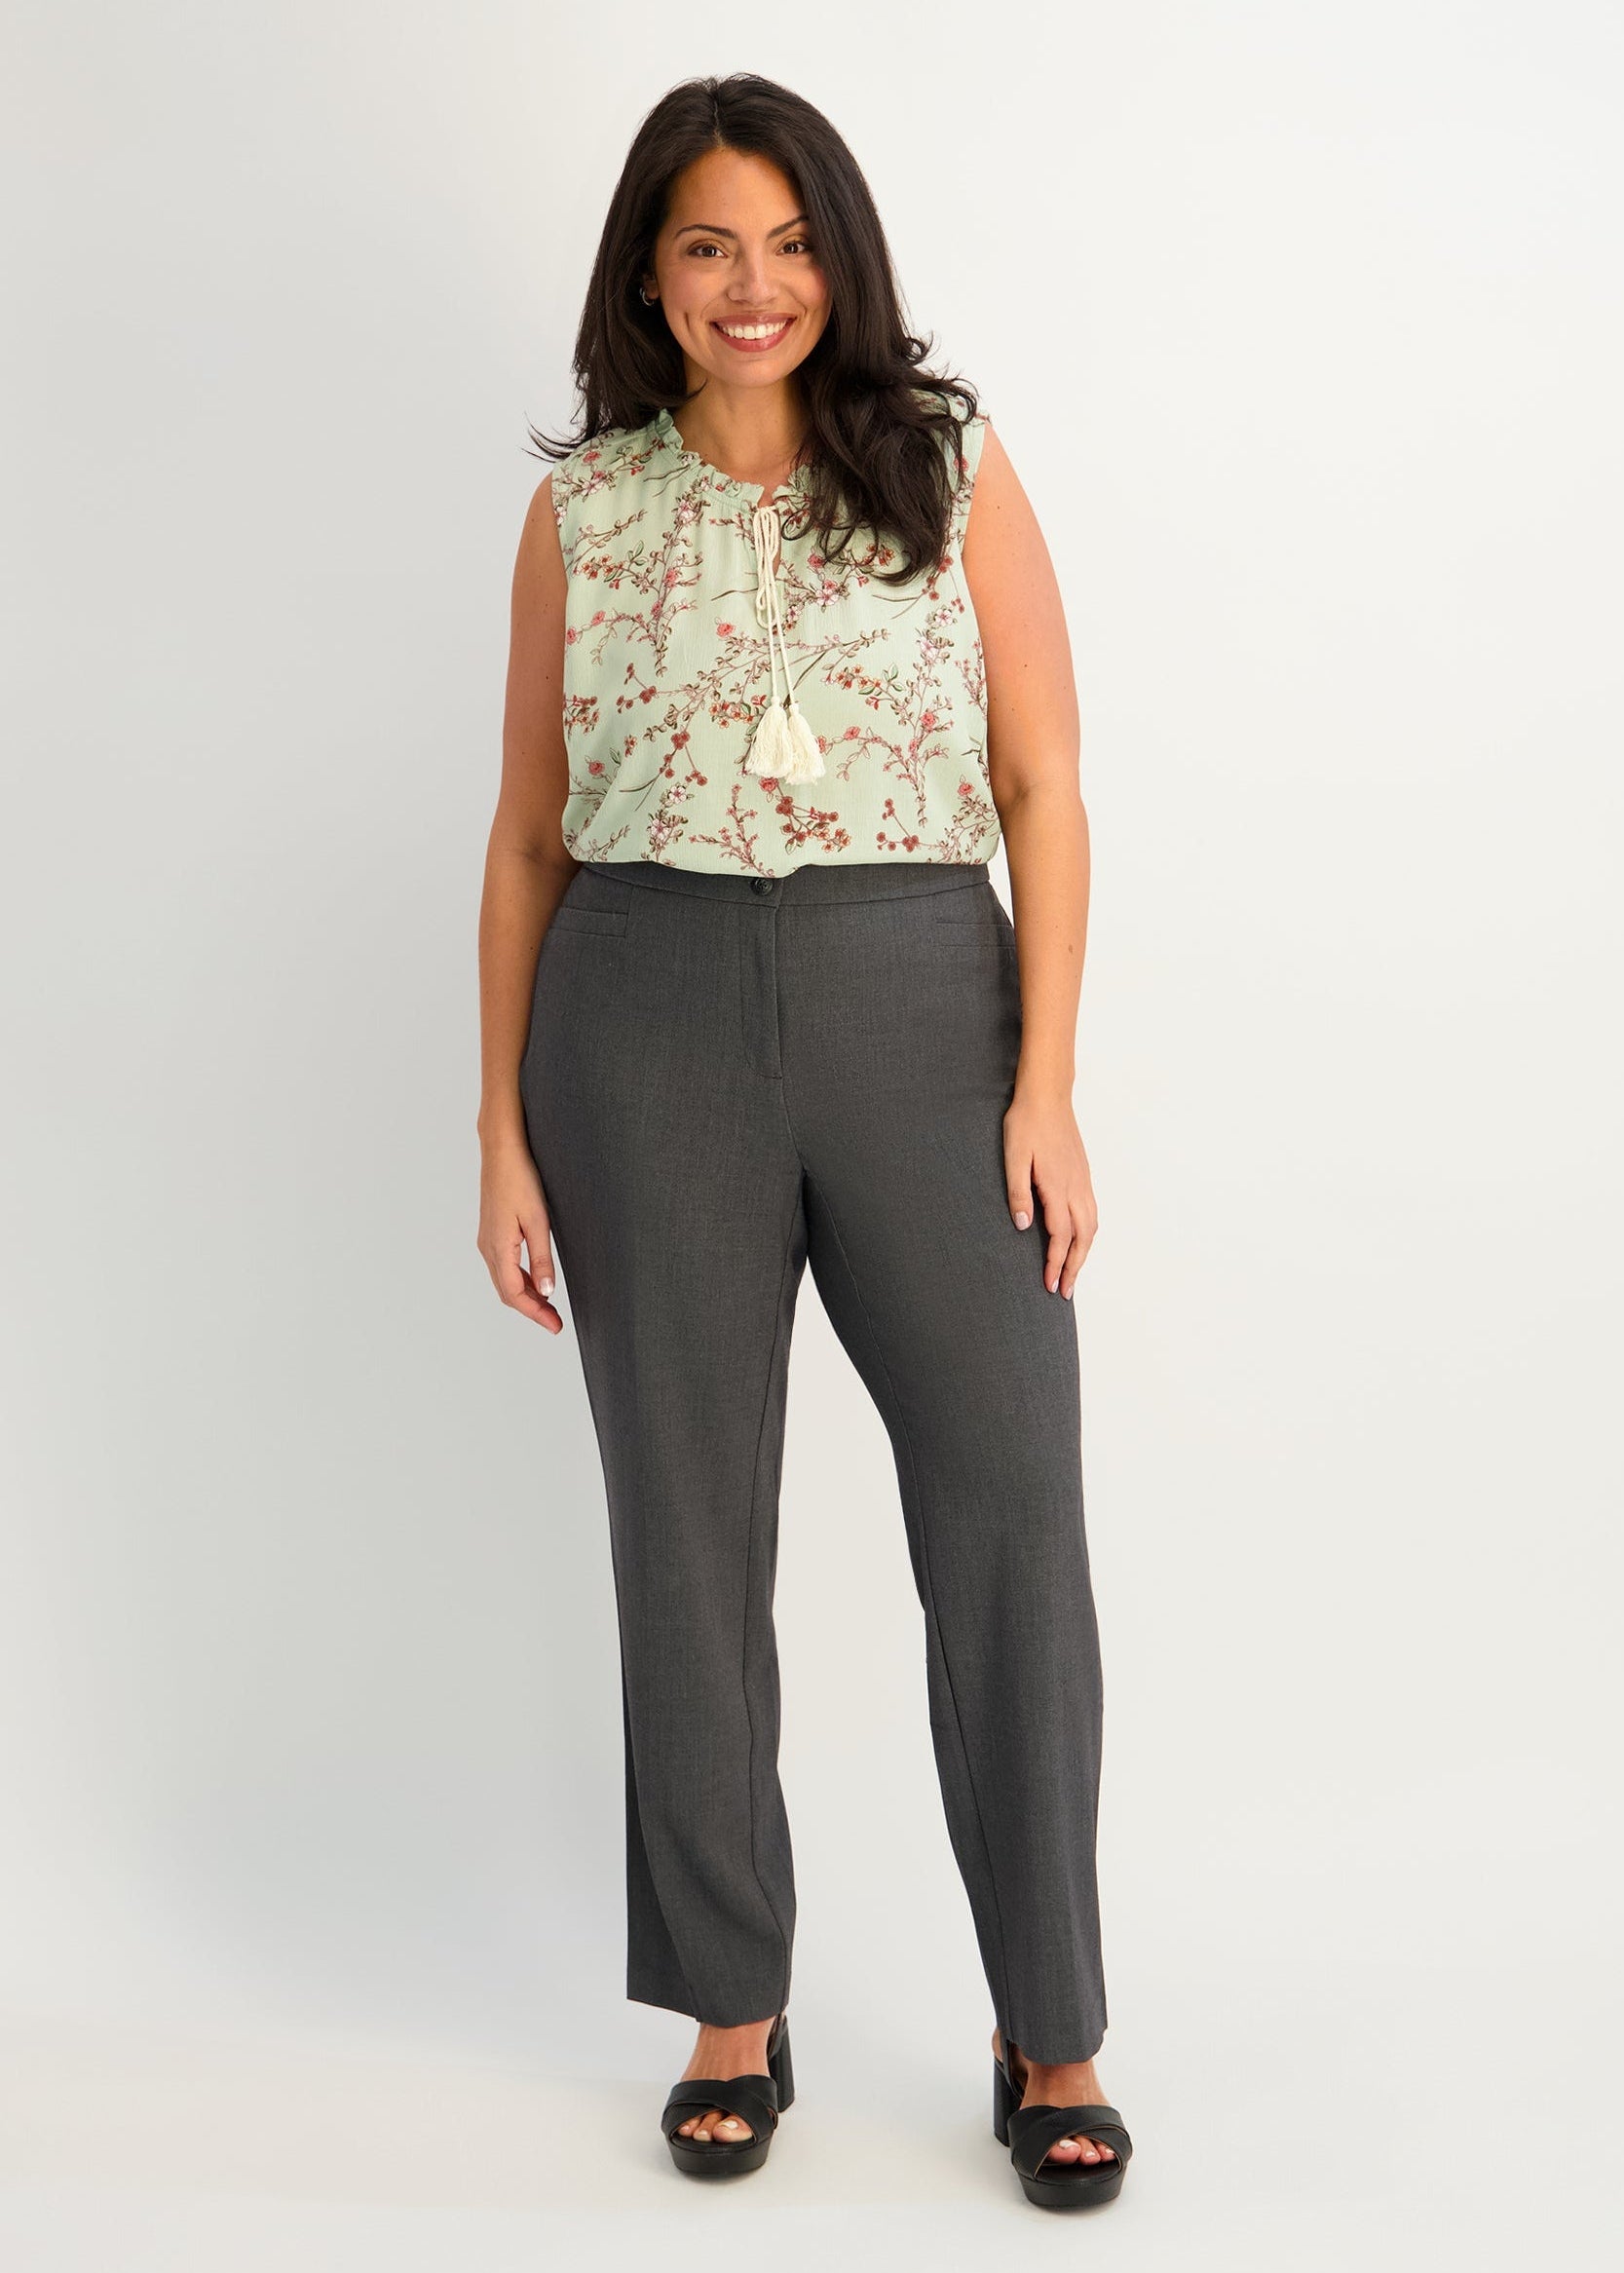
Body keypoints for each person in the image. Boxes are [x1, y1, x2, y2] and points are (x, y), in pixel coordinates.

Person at [475, 72, 1133, 2212]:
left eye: (787, 243)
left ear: (838, 261)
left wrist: (1043, 1084)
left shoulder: (945, 459)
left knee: (1011, 1508)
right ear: (650, 275)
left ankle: (1052, 2023)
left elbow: (1043, 783)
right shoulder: (587, 514)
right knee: (683, 1528)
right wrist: (498, 1127)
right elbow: (528, 836)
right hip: (642, 1007)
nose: (751, 287)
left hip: (921, 998)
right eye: (707, 246)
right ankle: (730, 2007)